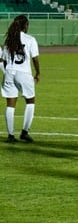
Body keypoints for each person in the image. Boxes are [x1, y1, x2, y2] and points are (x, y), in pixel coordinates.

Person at [1, 14, 40, 143]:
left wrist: (7, 72)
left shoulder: (9, 39)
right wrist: (38, 73)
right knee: (30, 101)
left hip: (9, 72)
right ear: (25, 26)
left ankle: (11, 135)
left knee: (10, 104)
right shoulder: (30, 39)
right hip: (23, 73)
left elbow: (3, 60)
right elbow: (35, 58)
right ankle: (24, 132)